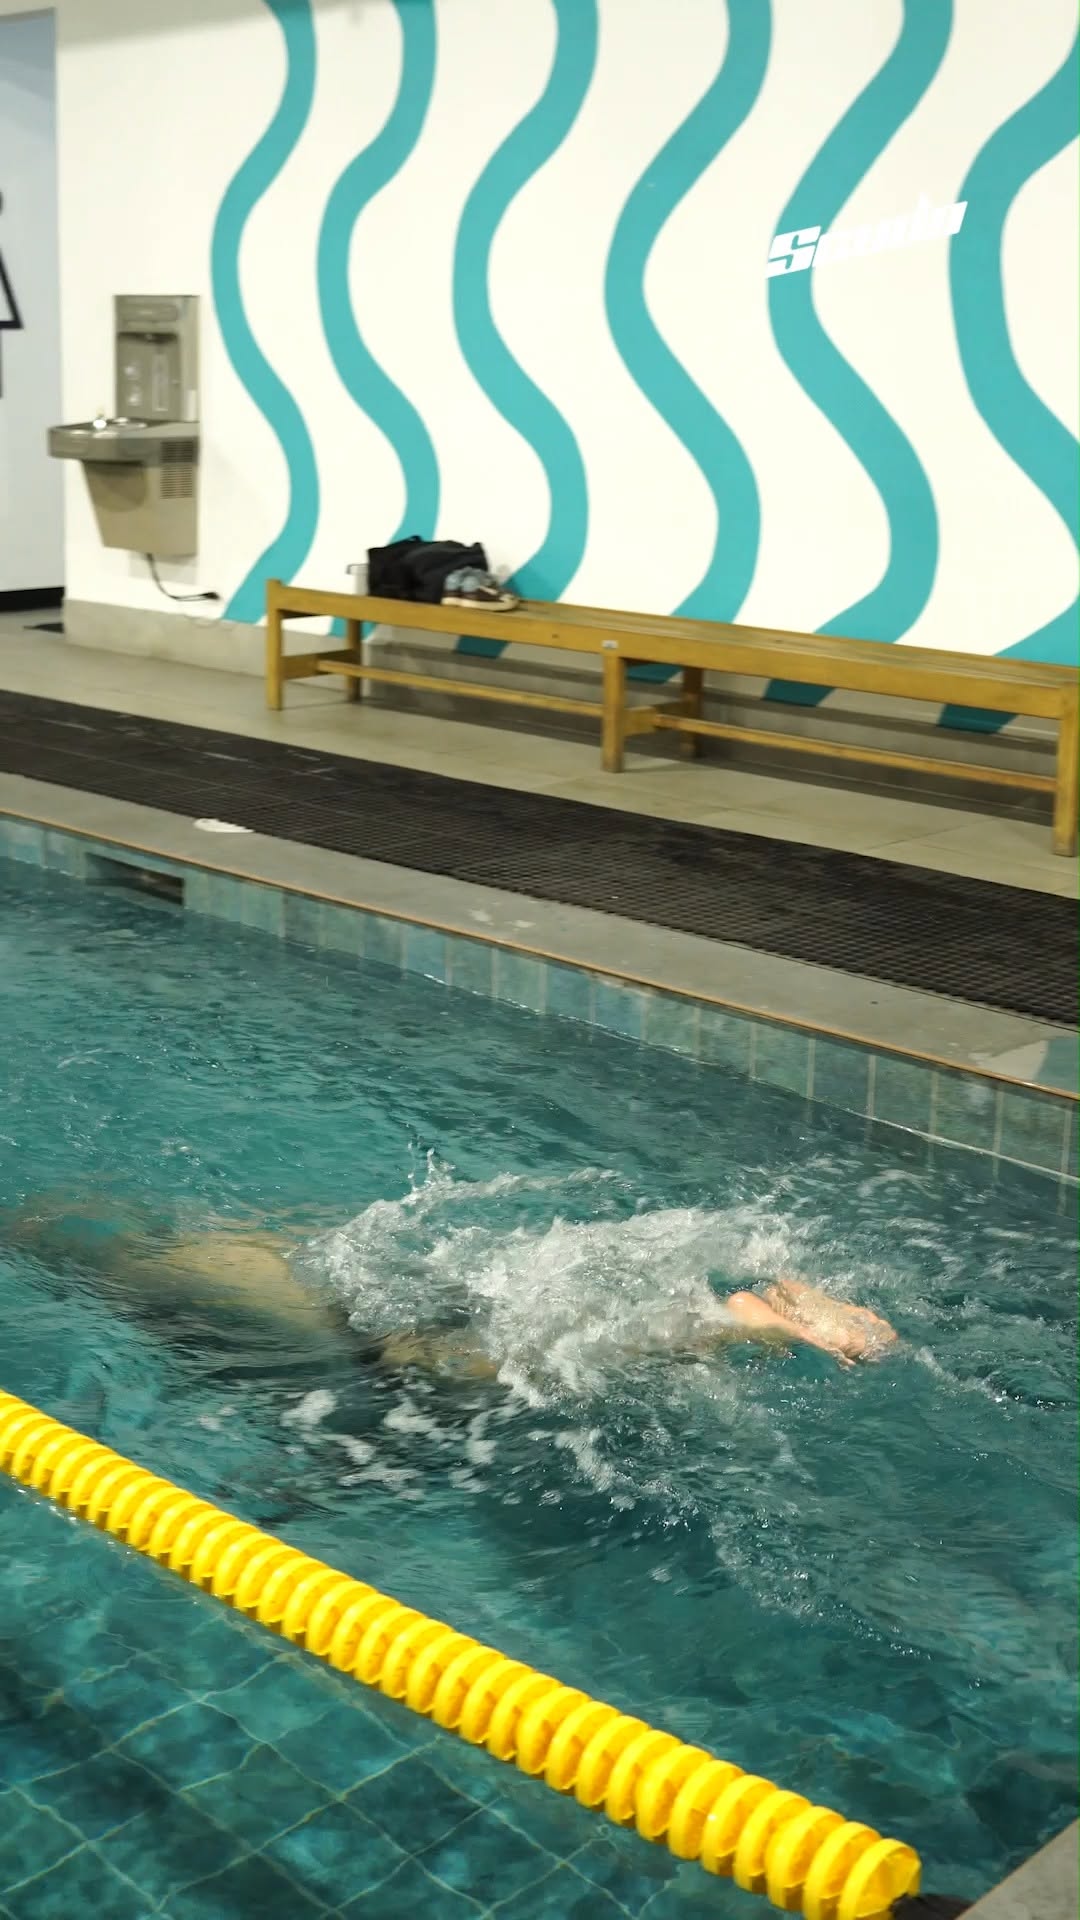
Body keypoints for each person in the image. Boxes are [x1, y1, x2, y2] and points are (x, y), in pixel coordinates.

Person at [5, 1194, 896, 1374]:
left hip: (330, 1303)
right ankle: (737, 1315)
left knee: (450, 1359)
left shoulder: (135, 1264)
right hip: (333, 1259)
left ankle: (734, 1325)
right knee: (489, 1311)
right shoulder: (207, 1233)